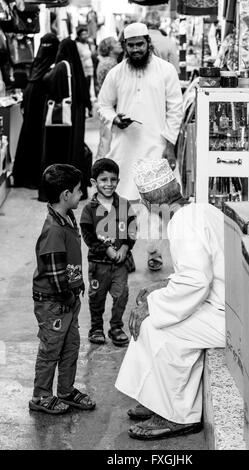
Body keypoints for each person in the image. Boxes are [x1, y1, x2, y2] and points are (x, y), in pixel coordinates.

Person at [115, 159, 225, 440]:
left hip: (225, 315)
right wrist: (159, 288)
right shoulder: (200, 209)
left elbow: (196, 281)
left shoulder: (182, 224)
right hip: (224, 303)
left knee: (155, 327)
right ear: (176, 188)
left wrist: (152, 305)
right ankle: (158, 400)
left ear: (147, 204)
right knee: (153, 319)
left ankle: (179, 416)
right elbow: (200, 273)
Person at [98, 22, 183, 271]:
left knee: (157, 206)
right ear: (124, 46)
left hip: (156, 147)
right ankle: (124, 252)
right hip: (124, 149)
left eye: (140, 44)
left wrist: (169, 146)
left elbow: (175, 110)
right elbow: (103, 104)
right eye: (131, 45)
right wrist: (115, 118)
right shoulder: (116, 73)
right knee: (123, 204)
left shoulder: (165, 70)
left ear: (148, 43)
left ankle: (154, 253)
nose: (136, 50)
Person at [30, 164, 96, 414]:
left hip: (68, 300)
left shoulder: (66, 218)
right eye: (80, 191)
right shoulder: (54, 230)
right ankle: (41, 396)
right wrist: (68, 295)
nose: (83, 195)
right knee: (51, 349)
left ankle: (66, 391)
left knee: (70, 346)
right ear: (66, 195)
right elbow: (55, 273)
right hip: (54, 302)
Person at [80, 159, 137, 346]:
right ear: (94, 183)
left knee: (121, 295)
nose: (109, 184)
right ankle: (96, 328)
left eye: (113, 180)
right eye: (103, 180)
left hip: (120, 264)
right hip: (98, 265)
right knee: (97, 297)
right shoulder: (89, 209)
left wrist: (125, 247)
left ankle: (116, 327)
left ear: (118, 181)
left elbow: (132, 228)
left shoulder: (124, 204)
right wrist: (107, 249)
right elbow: (88, 237)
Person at [39, 38, 92, 202]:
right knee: (73, 152)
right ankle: (75, 189)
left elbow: (47, 82)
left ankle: (57, 190)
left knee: (58, 154)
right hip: (74, 118)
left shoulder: (62, 66)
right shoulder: (76, 67)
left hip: (62, 123)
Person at [13, 34, 59, 189]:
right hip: (41, 103)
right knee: (39, 139)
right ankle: (35, 177)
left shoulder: (37, 62)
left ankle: (24, 176)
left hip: (31, 99)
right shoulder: (53, 64)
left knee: (29, 136)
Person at [96, 37, 123, 159]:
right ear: (110, 48)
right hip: (111, 107)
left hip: (108, 106)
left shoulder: (107, 62)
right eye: (116, 43)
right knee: (108, 143)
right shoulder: (110, 64)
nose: (119, 44)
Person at [75, 26, 94, 101]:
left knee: (88, 87)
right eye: (83, 34)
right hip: (83, 70)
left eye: (86, 34)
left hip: (90, 69)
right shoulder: (77, 45)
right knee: (83, 88)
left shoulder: (87, 44)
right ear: (79, 36)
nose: (85, 36)